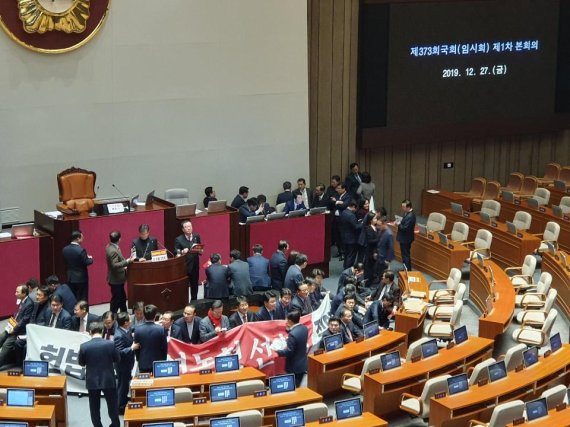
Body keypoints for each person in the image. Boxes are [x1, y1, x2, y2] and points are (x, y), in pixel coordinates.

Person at [78, 321, 120, 427]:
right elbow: (117, 359)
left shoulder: (84, 346)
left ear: (90, 332)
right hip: (108, 379)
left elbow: (81, 363)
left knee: (94, 407)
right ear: (102, 331)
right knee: (112, 406)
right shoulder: (110, 344)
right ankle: (115, 424)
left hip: (92, 381)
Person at [0, 285, 33, 367]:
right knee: (1, 337)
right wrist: (10, 324)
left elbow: (24, 321)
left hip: (19, 331)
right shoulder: (21, 300)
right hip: (12, 327)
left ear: (24, 293)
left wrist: (13, 330)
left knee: (6, 345)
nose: (15, 293)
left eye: (17, 292)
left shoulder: (29, 304)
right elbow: (17, 314)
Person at [114, 312, 139, 415]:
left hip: (127, 364)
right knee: (123, 387)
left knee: (123, 385)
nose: (131, 322)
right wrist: (132, 348)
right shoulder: (118, 336)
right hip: (122, 365)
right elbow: (120, 352)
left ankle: (122, 402)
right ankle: (120, 407)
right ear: (125, 323)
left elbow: (133, 329)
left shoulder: (125, 329)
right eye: (129, 320)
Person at [276, 310, 308, 387]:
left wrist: (278, 352)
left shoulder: (292, 334)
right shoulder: (304, 328)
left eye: (287, 320)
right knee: (298, 386)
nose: (286, 322)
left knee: (293, 387)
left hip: (294, 367)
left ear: (290, 321)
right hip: (303, 365)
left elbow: (289, 352)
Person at [106, 230, 135, 313]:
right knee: (116, 299)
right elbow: (114, 265)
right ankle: (112, 315)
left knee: (122, 298)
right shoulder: (113, 250)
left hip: (118, 278)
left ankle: (124, 313)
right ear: (119, 239)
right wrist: (127, 261)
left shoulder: (110, 246)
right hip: (116, 280)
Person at [133, 304, 167, 373]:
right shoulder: (161, 329)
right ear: (155, 316)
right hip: (158, 363)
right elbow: (164, 347)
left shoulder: (138, 329)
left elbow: (137, 348)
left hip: (143, 363)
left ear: (144, 316)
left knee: (145, 383)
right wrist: (163, 361)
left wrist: (139, 359)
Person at [174, 220, 203, 301]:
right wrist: (182, 251)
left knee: (194, 285)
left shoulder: (196, 236)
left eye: (190, 226)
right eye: (186, 227)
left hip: (195, 265)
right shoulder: (179, 239)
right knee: (184, 286)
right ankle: (184, 302)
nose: (188, 228)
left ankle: (194, 301)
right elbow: (176, 252)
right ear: (183, 229)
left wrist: (200, 251)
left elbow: (200, 249)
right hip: (185, 267)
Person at [62, 230, 93, 301]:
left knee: (73, 297)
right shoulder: (81, 250)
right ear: (78, 238)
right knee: (83, 297)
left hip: (70, 277)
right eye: (82, 237)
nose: (83, 238)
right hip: (81, 278)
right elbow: (87, 262)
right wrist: (90, 258)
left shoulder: (65, 249)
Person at [339, 201, 362, 269]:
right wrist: (363, 224)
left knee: (347, 254)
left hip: (345, 237)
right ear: (353, 207)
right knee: (351, 255)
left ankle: (345, 267)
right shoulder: (351, 215)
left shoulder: (344, 212)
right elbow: (356, 227)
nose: (355, 210)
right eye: (355, 208)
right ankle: (348, 269)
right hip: (352, 239)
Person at [361, 212, 380, 283]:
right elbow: (370, 241)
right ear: (370, 220)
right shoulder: (368, 228)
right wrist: (379, 238)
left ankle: (372, 279)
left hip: (375, 250)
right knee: (369, 266)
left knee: (373, 266)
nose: (376, 219)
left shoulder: (375, 227)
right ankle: (367, 282)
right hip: (370, 250)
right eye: (374, 218)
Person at [397, 199, 416, 270]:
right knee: (405, 255)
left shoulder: (410, 216)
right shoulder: (408, 213)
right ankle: (406, 269)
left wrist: (399, 224)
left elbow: (405, 228)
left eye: (403, 207)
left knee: (405, 255)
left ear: (408, 207)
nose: (402, 208)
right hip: (406, 238)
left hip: (406, 239)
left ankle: (407, 270)